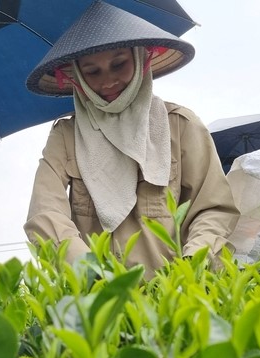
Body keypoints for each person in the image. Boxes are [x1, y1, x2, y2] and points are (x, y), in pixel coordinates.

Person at [24, 2, 239, 277]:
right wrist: (91, 275)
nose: (108, 81)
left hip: (178, 292)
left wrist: (191, 266)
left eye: (119, 64)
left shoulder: (180, 125)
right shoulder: (65, 137)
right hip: (100, 302)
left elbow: (213, 208)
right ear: (77, 77)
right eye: (92, 71)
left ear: (141, 60)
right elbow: (44, 215)